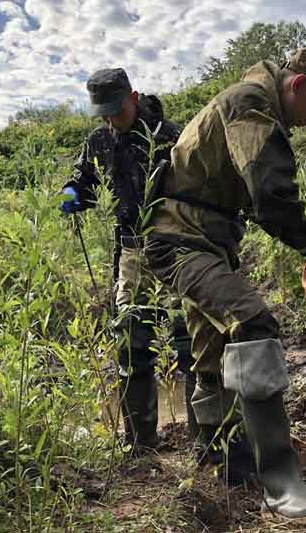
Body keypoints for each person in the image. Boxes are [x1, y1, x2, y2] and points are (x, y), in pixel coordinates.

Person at [146, 48, 306, 522]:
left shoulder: (251, 102)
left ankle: (227, 465)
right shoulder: (250, 104)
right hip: (180, 242)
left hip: (203, 241)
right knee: (254, 323)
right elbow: (271, 195)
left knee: (211, 355)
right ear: (298, 86)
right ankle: (282, 487)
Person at [60, 68, 197, 455]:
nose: (109, 120)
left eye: (115, 112)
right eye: (102, 114)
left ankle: (205, 444)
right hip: (132, 253)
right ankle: (141, 447)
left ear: (133, 98)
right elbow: (85, 182)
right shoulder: (99, 141)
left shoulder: (171, 136)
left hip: (177, 249)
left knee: (188, 342)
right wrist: (72, 191)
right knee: (131, 345)